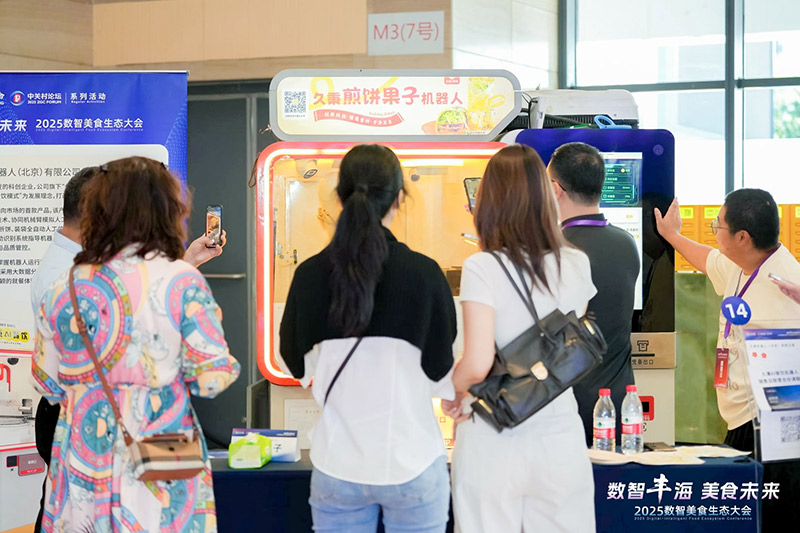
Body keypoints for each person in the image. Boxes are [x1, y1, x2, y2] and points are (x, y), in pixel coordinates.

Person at [31, 157, 240, 532]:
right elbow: (211, 379)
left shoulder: (67, 285)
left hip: (85, 454)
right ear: (167, 210)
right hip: (163, 450)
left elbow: (46, 382)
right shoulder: (181, 282)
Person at [279, 144, 456, 533]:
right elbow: (442, 371)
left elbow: (295, 363)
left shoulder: (309, 275)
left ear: (340, 196)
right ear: (399, 198)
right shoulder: (425, 274)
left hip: (337, 464)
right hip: (413, 461)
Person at [443, 144, 596, 533]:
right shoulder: (576, 262)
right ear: (546, 197)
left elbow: (477, 363)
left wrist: (453, 394)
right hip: (560, 434)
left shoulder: (483, 266)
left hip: (494, 432)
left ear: (488, 202)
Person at [654, 188, 800, 529]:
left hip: (769, 424)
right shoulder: (740, 263)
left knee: (768, 515)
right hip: (739, 417)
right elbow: (708, 259)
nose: (713, 230)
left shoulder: (787, 285)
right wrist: (672, 235)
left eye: (717, 225)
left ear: (742, 237)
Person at [548, 141, 640, 446]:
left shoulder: (555, 249)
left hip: (565, 406)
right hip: (619, 405)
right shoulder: (626, 243)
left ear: (556, 189)